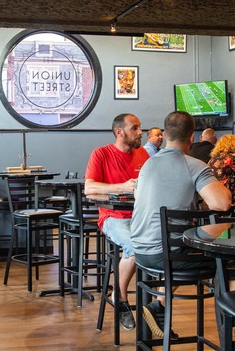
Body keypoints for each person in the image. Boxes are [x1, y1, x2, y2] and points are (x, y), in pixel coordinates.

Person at [131, 111, 232, 339]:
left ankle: (159, 304)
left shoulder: (147, 164)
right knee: (233, 262)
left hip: (140, 251)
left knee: (179, 251)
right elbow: (223, 202)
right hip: (166, 254)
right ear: (192, 137)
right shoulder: (193, 165)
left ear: (165, 135)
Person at [84, 113, 150, 330]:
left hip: (142, 216)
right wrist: (123, 186)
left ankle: (157, 306)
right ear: (119, 132)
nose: (141, 132)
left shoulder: (143, 155)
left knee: (170, 246)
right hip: (113, 217)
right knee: (135, 246)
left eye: (140, 127)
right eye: (135, 128)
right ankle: (120, 298)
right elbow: (90, 188)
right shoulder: (101, 154)